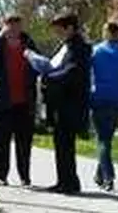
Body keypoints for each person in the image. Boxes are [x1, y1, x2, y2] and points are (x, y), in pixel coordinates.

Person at [25, 12, 92, 194]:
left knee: (65, 142)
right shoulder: (68, 46)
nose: (57, 35)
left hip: (70, 102)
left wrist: (47, 76)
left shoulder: (79, 48)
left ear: (69, 28)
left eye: (59, 30)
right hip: (62, 101)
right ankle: (65, 179)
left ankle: (69, 182)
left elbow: (72, 72)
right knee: (61, 142)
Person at [0, 14, 39, 186]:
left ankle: (25, 176)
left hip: (24, 101)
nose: (13, 29)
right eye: (9, 25)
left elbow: (38, 63)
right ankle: (1, 175)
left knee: (24, 142)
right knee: (1, 141)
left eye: (17, 25)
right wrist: (0, 36)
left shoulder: (28, 42)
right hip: (1, 100)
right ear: (3, 25)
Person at [89, 21, 118, 191]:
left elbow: (89, 76)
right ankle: (99, 175)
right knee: (106, 139)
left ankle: (108, 177)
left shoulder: (96, 51)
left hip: (99, 99)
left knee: (103, 140)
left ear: (106, 32)